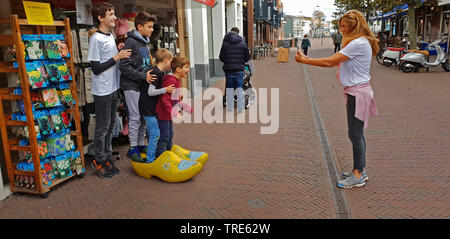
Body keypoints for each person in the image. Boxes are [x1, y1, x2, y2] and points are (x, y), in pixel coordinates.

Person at [295, 10, 378, 189]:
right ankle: (360, 170)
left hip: (357, 93)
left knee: (355, 135)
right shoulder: (360, 42)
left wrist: (305, 61)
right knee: (357, 134)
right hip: (357, 91)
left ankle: (357, 175)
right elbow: (334, 61)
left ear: (353, 27)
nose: (341, 30)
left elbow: (329, 62)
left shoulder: (357, 44)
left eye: (344, 27)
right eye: (340, 26)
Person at [88, 2, 131, 178]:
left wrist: (120, 53)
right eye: (111, 14)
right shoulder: (96, 39)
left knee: (111, 125)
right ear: (100, 18)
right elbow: (96, 67)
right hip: (103, 90)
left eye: (114, 14)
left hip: (113, 87)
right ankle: (99, 159)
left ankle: (107, 157)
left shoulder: (110, 36)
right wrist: (117, 57)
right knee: (102, 127)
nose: (115, 17)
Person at [119, 12, 157, 162]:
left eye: (152, 27)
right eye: (149, 27)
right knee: (134, 118)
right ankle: (133, 148)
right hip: (131, 87)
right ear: (139, 27)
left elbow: (145, 65)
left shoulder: (145, 42)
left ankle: (141, 144)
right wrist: (143, 76)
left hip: (142, 86)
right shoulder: (131, 42)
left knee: (142, 118)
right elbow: (124, 67)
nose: (152, 30)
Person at [139, 48, 175, 163]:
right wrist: (166, 90)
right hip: (148, 107)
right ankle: (150, 160)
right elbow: (150, 92)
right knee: (155, 133)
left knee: (155, 133)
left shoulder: (162, 72)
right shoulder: (156, 72)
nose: (172, 64)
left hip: (152, 107)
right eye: (171, 61)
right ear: (165, 60)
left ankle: (154, 156)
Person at [155, 56, 193, 157]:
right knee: (165, 136)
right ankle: (161, 157)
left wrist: (185, 107)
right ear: (178, 69)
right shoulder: (171, 81)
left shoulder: (177, 80)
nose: (188, 69)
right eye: (186, 67)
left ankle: (168, 155)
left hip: (168, 115)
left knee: (170, 135)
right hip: (163, 114)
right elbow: (165, 99)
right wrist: (174, 112)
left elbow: (175, 99)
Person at [219, 27, 251, 113]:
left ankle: (230, 107)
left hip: (229, 70)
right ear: (238, 33)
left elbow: (221, 57)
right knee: (239, 88)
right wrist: (241, 62)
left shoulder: (225, 43)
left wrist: (227, 61)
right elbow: (247, 57)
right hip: (239, 69)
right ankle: (240, 108)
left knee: (229, 88)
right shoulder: (242, 43)